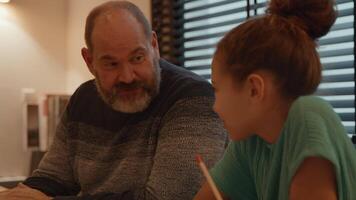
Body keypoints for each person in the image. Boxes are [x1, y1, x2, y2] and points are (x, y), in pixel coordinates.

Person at [0, 1, 227, 200]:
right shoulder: (83, 99)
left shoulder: (193, 99)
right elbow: (53, 178)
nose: (127, 76)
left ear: (154, 46)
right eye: (111, 64)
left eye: (137, 58)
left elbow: (166, 198)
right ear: (89, 61)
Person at [194, 0, 356, 199]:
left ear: (254, 90)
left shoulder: (306, 119)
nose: (215, 107)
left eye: (217, 90)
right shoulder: (251, 137)